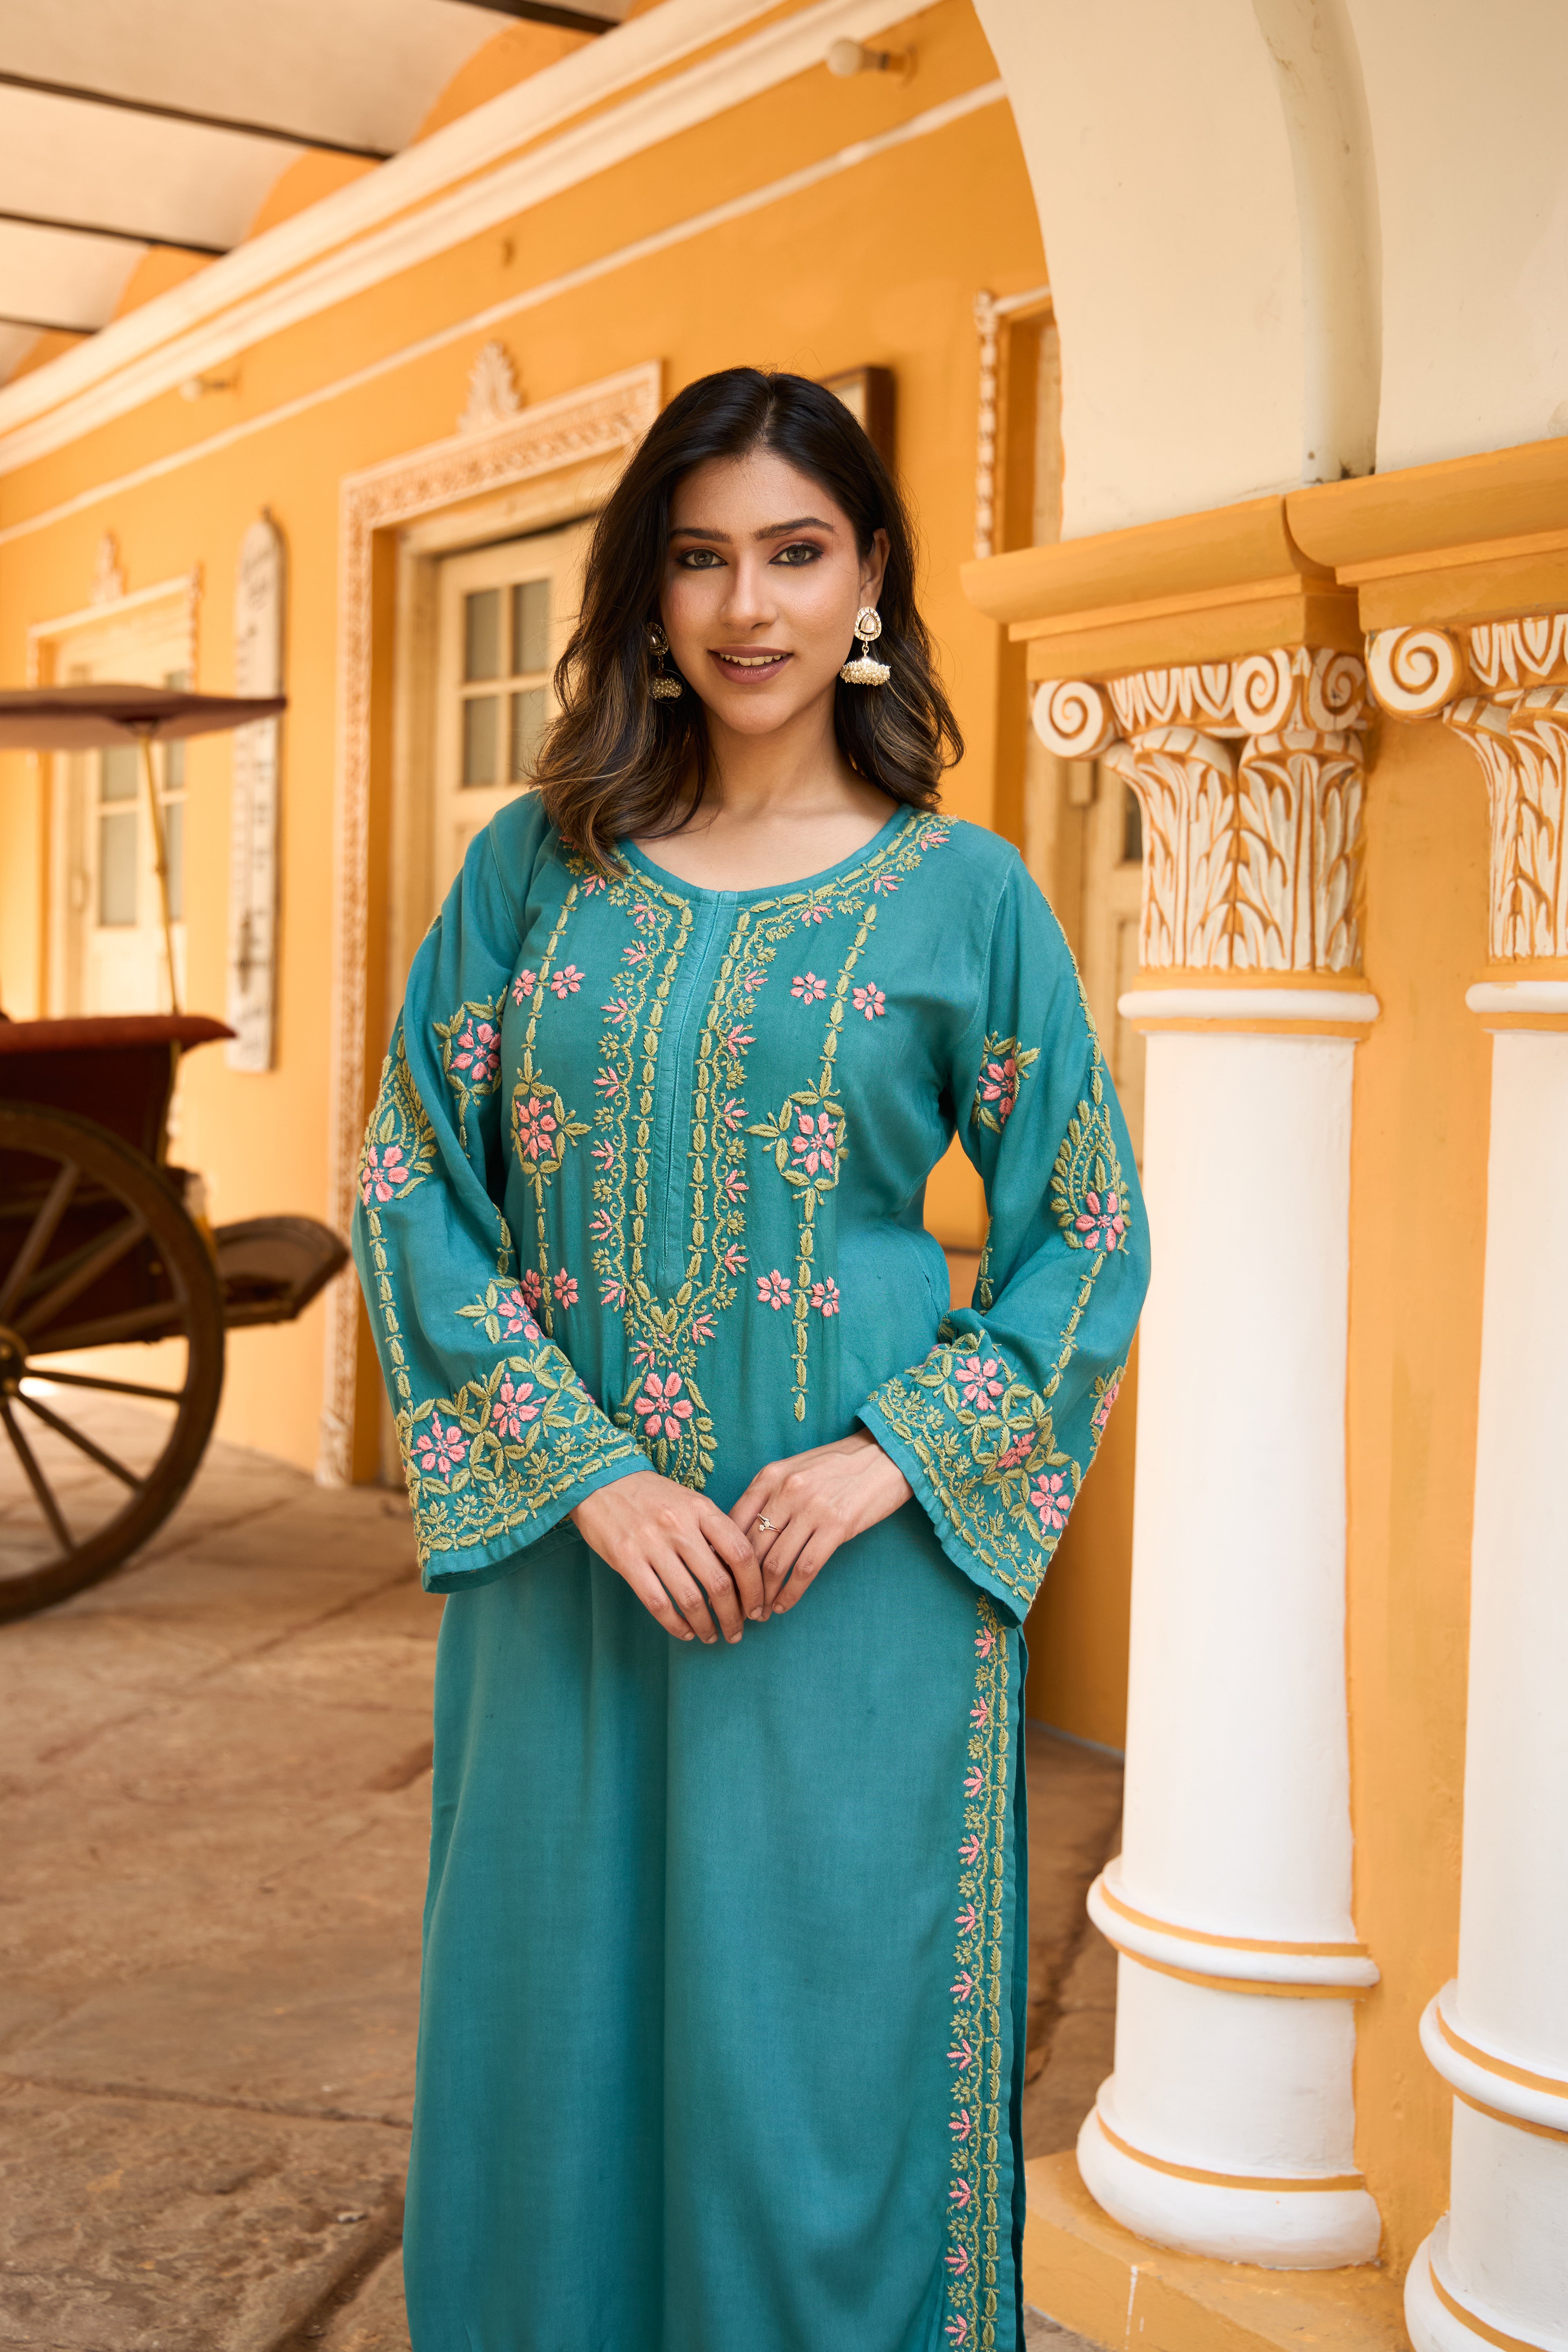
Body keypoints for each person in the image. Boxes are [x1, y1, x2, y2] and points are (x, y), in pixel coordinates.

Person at [352, 366, 1148, 2352]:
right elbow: (410, 1178)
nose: (748, 607)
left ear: (870, 574)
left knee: (822, 2051)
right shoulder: (532, 870)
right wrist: (591, 1478)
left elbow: (1087, 1228)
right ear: (648, 587)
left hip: (845, 1578)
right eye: (700, 558)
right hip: (570, 1560)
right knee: (551, 2026)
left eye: (795, 552)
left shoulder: (965, 897)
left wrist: (893, 1459)